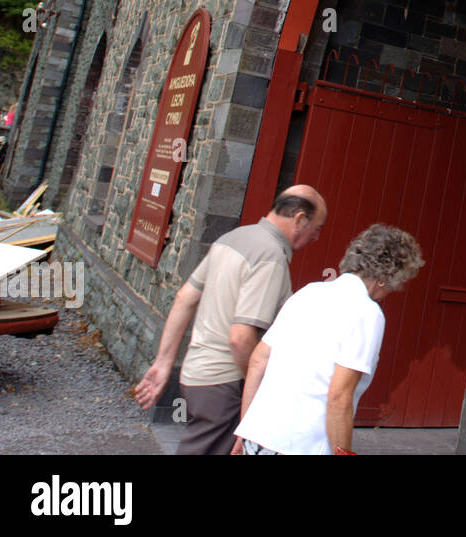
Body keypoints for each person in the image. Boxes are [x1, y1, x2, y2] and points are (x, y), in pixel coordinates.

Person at [132, 185, 328, 454]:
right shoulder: (270, 256)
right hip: (225, 385)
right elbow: (240, 338)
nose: (316, 236)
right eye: (316, 227)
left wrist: (164, 363)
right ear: (299, 219)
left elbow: (184, 298)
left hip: (197, 377)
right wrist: (256, 390)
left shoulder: (233, 238)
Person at [233, 223, 424, 455]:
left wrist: (246, 429)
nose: (397, 288)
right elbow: (339, 396)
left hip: (259, 436)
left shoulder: (308, 292)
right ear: (387, 276)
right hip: (303, 444)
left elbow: (258, 361)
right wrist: (344, 453)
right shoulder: (367, 313)